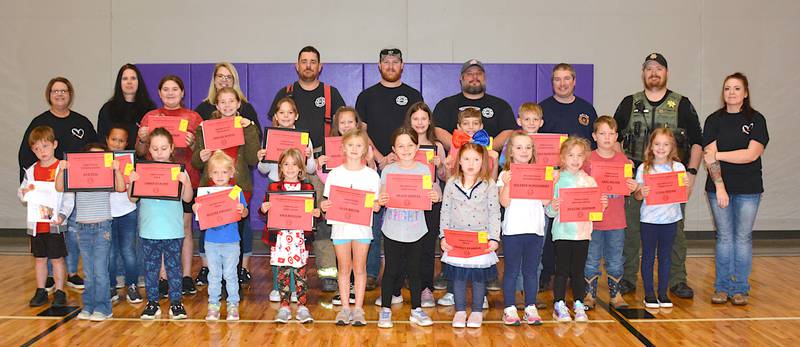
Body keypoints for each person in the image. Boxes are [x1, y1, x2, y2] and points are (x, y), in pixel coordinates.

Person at [614, 53, 702, 299]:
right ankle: (628, 278)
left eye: (659, 68)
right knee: (631, 231)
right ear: (643, 73)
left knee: (675, 234)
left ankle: (677, 280)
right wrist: (626, 171)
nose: (654, 72)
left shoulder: (682, 104)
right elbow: (614, 137)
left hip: (672, 180)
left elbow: (697, 141)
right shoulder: (629, 103)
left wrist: (692, 173)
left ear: (666, 73)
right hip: (639, 179)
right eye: (649, 68)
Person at [19, 77, 98, 291]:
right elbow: (26, 156)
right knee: (49, 235)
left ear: (70, 94)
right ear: (49, 95)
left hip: (76, 190)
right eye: (55, 91)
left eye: (64, 91)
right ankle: (52, 278)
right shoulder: (39, 122)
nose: (60, 94)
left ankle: (71, 273)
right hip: (47, 193)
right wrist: (30, 190)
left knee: (72, 233)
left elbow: (95, 152)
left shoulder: (81, 122)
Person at [356, 47, 423, 291]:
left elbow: (417, 128)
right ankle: (372, 272)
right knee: (372, 219)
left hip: (406, 165)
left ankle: (403, 274)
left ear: (402, 65)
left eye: (396, 62)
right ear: (379, 65)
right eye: (387, 62)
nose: (391, 66)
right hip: (373, 163)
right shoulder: (366, 96)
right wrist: (380, 157)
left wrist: (398, 156)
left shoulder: (413, 94)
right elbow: (361, 130)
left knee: (406, 218)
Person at [704, 73, 769, 306]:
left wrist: (718, 154)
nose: (731, 93)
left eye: (736, 88)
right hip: (718, 188)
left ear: (746, 93)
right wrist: (720, 187)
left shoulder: (757, 120)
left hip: (749, 188)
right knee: (724, 238)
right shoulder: (713, 120)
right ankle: (722, 288)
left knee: (742, 238)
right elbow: (708, 160)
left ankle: (740, 288)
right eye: (727, 88)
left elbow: (750, 155)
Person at [137, 75, 204, 296]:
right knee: (159, 230)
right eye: (165, 89)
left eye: (175, 89)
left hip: (185, 180)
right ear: (159, 93)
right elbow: (139, 152)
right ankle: (163, 277)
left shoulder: (193, 117)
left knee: (183, 230)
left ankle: (184, 276)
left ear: (182, 92)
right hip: (155, 183)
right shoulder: (150, 116)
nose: (170, 93)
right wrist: (141, 138)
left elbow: (203, 154)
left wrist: (194, 144)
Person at [191, 87, 259, 291]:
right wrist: (201, 156)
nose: (227, 105)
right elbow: (196, 161)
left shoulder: (246, 126)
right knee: (210, 235)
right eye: (223, 102)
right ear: (217, 105)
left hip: (237, 188)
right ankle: (215, 280)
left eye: (232, 101)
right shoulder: (206, 127)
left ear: (239, 104)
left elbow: (252, 159)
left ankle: (234, 278)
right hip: (211, 189)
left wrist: (250, 128)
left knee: (235, 235)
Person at [538, 63, 598, 293]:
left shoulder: (586, 109)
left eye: (566, 79)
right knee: (550, 228)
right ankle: (547, 273)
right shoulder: (543, 108)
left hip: (577, 180)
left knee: (575, 229)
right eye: (557, 79)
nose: (562, 83)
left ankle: (575, 275)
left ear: (574, 81)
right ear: (552, 82)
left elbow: (591, 146)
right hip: (552, 178)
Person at [375, 127, 440, 328]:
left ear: (417, 146)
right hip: (393, 228)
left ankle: (416, 310)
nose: (406, 149)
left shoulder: (423, 170)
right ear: (394, 149)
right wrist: (382, 199)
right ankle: (385, 310)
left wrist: (434, 196)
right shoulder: (388, 170)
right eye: (401, 146)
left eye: (410, 145)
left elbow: (430, 193)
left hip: (416, 229)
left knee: (415, 271)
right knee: (391, 270)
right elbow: (381, 197)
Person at [55, 143, 126, 321]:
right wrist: (62, 170)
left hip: (102, 228)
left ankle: (104, 308)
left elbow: (120, 187)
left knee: (100, 271)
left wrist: (116, 170)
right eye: (92, 157)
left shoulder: (106, 176)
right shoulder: (77, 174)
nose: (96, 161)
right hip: (82, 228)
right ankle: (88, 305)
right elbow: (59, 188)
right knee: (88, 271)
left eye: (100, 157)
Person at [129, 128, 194, 320]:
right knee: (151, 269)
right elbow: (132, 199)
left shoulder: (179, 171)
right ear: (149, 149)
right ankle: (152, 303)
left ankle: (176, 304)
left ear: (172, 148)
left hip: (173, 230)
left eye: (164, 148)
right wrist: (132, 183)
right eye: (155, 148)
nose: (159, 152)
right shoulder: (142, 171)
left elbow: (188, 198)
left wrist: (186, 183)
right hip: (149, 230)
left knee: (174, 269)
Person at [320, 129, 381, 327]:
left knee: (360, 268)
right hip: (341, 228)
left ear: (366, 150)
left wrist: (376, 205)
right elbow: (327, 202)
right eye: (350, 145)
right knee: (344, 269)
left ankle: (359, 309)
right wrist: (324, 206)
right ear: (342, 148)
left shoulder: (372, 175)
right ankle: (345, 308)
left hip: (362, 228)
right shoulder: (335, 174)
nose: (354, 149)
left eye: (359, 146)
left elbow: (377, 204)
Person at [439, 143, 500, 328]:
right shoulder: (451, 183)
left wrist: (494, 238)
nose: (471, 163)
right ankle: (459, 311)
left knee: (478, 278)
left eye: (476, 159)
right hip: (456, 240)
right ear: (459, 161)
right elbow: (445, 211)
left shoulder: (489, 184)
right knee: (458, 278)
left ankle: (476, 312)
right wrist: (443, 237)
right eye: (466, 159)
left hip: (480, 240)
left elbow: (494, 212)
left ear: (483, 162)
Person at [546, 137, 607, 322]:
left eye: (579, 155)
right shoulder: (557, 180)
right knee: (562, 270)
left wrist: (601, 205)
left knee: (578, 271)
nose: (575, 159)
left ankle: (579, 303)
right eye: (570, 155)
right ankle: (559, 303)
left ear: (585, 158)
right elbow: (548, 211)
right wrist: (553, 206)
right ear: (563, 158)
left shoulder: (589, 181)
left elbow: (595, 213)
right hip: (562, 233)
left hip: (582, 233)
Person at [260, 148, 320, 324]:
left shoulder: (307, 188)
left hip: (299, 238)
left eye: (294, 164)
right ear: (280, 167)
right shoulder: (273, 188)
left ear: (301, 168)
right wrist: (263, 209)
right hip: (280, 239)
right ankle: (284, 307)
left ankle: (302, 306)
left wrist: (317, 214)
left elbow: (313, 213)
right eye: (286, 164)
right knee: (283, 274)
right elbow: (266, 211)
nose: (290, 168)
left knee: (301, 273)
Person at [583, 116, 637, 310]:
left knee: (615, 260)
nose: (607, 137)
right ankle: (589, 295)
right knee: (591, 259)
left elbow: (627, 189)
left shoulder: (623, 161)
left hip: (616, 221)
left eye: (611, 134)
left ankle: (616, 295)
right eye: (602, 133)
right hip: (593, 221)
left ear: (616, 137)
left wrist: (631, 186)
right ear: (594, 136)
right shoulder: (587, 160)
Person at [498, 131, 547, 326]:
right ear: (510, 152)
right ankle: (509, 308)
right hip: (513, 231)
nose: (524, 151)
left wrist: (550, 183)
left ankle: (530, 307)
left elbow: (545, 201)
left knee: (531, 270)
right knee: (511, 270)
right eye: (519, 147)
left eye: (528, 147)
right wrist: (508, 184)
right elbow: (504, 202)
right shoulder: (504, 175)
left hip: (535, 229)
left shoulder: (540, 173)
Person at [18, 126, 70, 308]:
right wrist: (24, 192)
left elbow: (68, 195)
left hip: (54, 223)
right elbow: (23, 192)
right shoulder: (31, 170)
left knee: (57, 258)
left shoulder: (61, 168)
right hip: (37, 223)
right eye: (37, 149)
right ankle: (40, 290)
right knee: (40, 259)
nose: (42, 152)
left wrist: (63, 215)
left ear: (54, 145)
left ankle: (60, 291)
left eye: (45, 146)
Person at [633, 128, 686, 309]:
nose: (661, 148)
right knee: (648, 256)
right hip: (649, 220)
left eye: (665, 145)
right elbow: (638, 197)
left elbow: (681, 195)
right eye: (657, 144)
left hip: (670, 220)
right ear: (650, 146)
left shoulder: (678, 168)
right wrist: (642, 191)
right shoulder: (644, 168)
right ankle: (649, 294)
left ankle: (663, 293)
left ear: (672, 147)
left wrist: (683, 186)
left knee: (665, 257)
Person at [193, 151, 248, 321]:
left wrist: (242, 210)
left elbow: (245, 212)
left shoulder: (236, 192)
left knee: (231, 274)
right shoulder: (205, 194)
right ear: (209, 174)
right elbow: (199, 213)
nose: (220, 176)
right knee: (214, 275)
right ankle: (213, 305)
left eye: (224, 172)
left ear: (232, 173)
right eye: (215, 172)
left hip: (231, 242)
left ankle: (233, 304)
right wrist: (196, 209)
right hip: (211, 242)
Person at [404, 102, 446, 308]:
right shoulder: (403, 143)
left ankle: (426, 288)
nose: (419, 123)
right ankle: (404, 285)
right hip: (408, 201)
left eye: (423, 118)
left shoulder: (437, 146)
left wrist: (440, 166)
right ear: (409, 121)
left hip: (431, 199)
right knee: (408, 245)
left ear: (429, 121)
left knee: (428, 246)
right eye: (415, 119)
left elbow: (444, 176)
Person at [268, 46, 346, 151]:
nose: (308, 66)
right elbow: (275, 126)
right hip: (292, 157)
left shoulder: (332, 93)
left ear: (320, 67)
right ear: (297, 66)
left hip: (324, 156)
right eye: (304, 62)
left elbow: (345, 126)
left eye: (313, 62)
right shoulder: (284, 93)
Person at [433, 59, 516, 153]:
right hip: (455, 164)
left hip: (490, 162)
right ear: (461, 78)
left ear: (484, 77)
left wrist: (484, 151)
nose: (475, 77)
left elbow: (509, 131)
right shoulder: (445, 105)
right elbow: (438, 130)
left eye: (479, 73)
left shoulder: (501, 105)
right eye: (469, 74)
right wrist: (461, 151)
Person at [105, 126, 143, 303]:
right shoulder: (101, 161)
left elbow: (133, 191)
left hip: (128, 211)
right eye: (114, 139)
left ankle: (132, 285)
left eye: (121, 141)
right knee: (110, 253)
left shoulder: (131, 163)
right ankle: (111, 286)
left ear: (126, 143)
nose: (117, 144)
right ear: (107, 140)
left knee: (129, 251)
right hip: (106, 214)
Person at [97, 64, 156, 149]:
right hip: (114, 159)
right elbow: (102, 140)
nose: (129, 82)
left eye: (133, 78)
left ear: (139, 82)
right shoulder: (108, 109)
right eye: (125, 79)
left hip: (142, 159)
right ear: (119, 82)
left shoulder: (149, 108)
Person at [194, 62, 261, 138]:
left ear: (234, 81)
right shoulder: (203, 108)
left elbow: (258, 137)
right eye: (220, 76)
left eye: (228, 77)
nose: (224, 80)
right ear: (214, 80)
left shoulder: (246, 107)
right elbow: (196, 138)